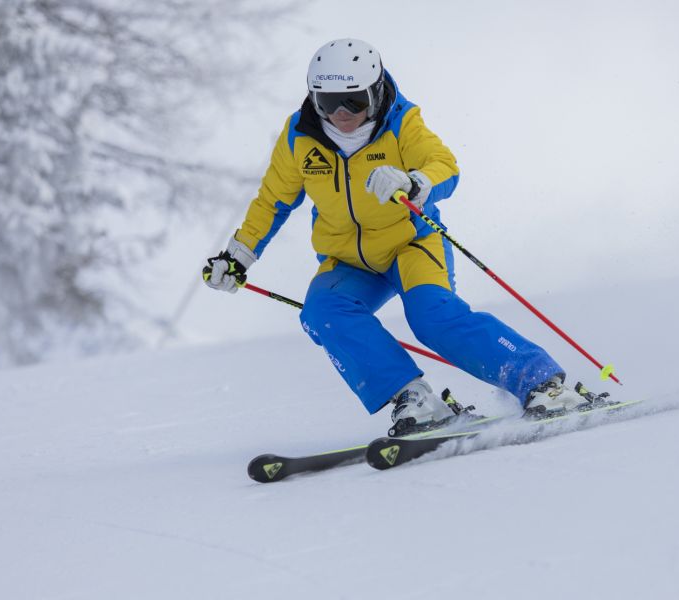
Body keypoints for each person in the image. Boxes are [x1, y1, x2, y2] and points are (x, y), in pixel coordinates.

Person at [203, 38, 590, 434]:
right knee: (323, 313)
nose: (341, 114)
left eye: (353, 101)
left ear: (375, 91)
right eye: (328, 101)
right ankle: (416, 399)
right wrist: (237, 257)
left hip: (412, 245)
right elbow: (272, 201)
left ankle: (544, 385)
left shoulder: (402, 121)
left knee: (432, 317)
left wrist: (414, 180)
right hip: (348, 261)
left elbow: (445, 166)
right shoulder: (298, 137)